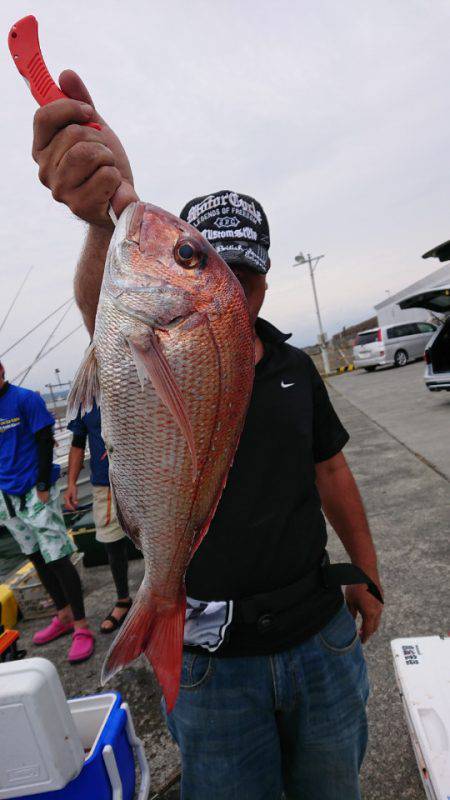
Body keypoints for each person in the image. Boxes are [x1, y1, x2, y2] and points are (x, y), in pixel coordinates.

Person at [31, 73, 384, 800]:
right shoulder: (153, 332)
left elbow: (334, 474)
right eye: (207, 261)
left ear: (259, 280)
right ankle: (160, 605)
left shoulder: (291, 367)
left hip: (319, 632)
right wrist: (105, 219)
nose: (233, 291)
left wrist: (368, 575)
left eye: (242, 273)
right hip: (211, 659)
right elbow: (112, 308)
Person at [0, 361, 94, 662]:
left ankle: (81, 626)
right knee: (35, 556)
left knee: (57, 556)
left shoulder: (26, 398)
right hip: (6, 495)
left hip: (34, 488)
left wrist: (42, 483)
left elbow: (44, 440)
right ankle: (62, 614)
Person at [64, 402, 132, 632]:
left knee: (160, 537)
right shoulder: (86, 394)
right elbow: (77, 441)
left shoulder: (136, 377)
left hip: (145, 478)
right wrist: (71, 483)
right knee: (112, 544)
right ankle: (123, 600)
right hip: (105, 484)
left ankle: (170, 594)